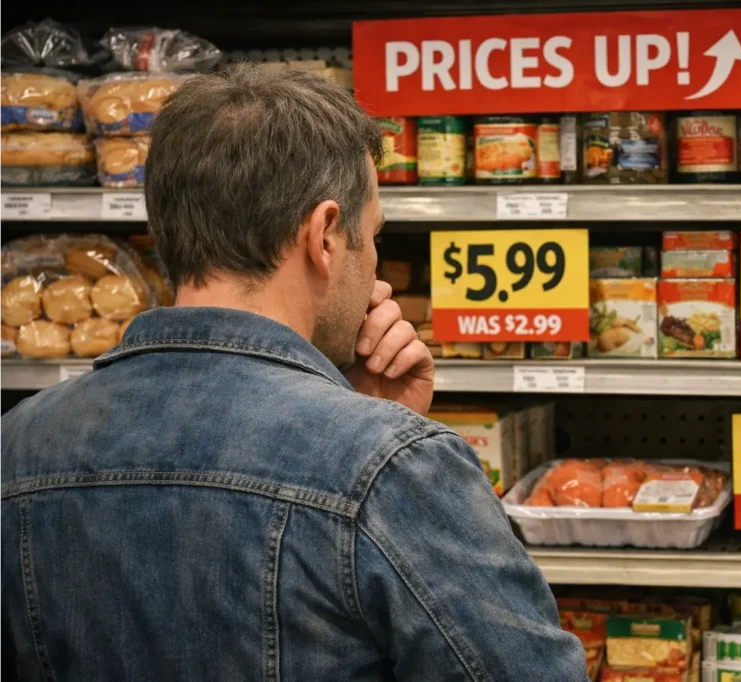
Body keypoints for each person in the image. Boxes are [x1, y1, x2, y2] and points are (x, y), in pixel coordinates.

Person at [0, 67, 587, 681]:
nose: (376, 265)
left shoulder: (17, 443)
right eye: (373, 235)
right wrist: (387, 450)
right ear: (326, 236)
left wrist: (365, 417)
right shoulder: (393, 468)